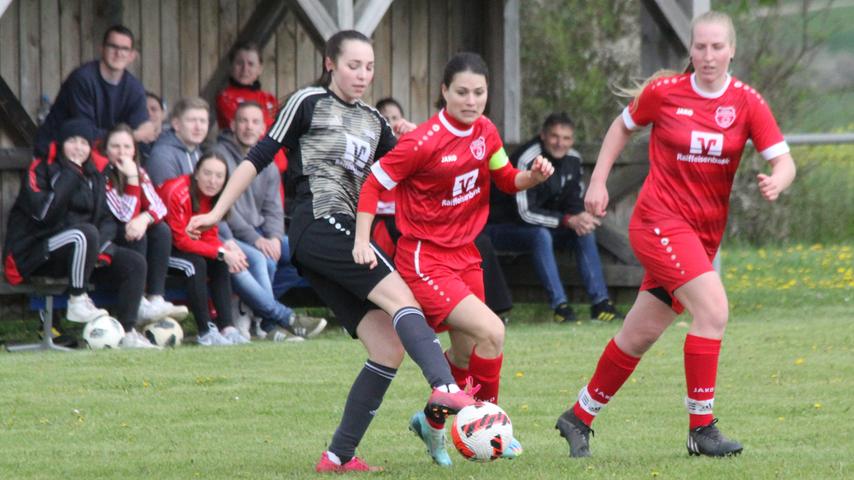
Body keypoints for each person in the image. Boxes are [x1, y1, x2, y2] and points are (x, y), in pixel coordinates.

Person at [187, 30, 477, 473]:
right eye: (352, 65)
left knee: (387, 347)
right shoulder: (306, 102)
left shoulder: (374, 122)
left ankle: (338, 456)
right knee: (404, 300)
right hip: (320, 223)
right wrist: (217, 212)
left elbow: (413, 174)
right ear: (330, 65)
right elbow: (258, 156)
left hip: (330, 240)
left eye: (369, 67)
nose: (362, 75)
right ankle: (443, 384)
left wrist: (413, 139)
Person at [554, 10, 796, 459]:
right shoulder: (665, 93)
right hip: (658, 223)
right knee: (714, 310)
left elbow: (784, 159)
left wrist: (777, 180)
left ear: (732, 50)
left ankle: (578, 417)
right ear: (691, 49)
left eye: (717, 47)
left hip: (701, 237)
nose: (708, 56)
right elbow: (620, 128)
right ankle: (701, 429)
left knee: (639, 334)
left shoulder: (746, 101)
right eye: (700, 46)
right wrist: (599, 181)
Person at [355, 52, 555, 465]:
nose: (471, 100)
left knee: (465, 356)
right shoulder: (421, 142)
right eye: (461, 92)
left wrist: (531, 178)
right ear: (444, 92)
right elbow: (373, 183)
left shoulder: (486, 131)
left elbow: (504, 178)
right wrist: (362, 239)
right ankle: (492, 430)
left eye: (479, 92)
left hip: (467, 255)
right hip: (426, 258)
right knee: (493, 331)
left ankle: (431, 423)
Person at [3, 118, 156, 348]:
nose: (78, 147)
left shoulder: (96, 174)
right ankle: (77, 300)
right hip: (35, 252)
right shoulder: (41, 169)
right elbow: (43, 215)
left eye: (84, 142)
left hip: (80, 255)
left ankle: (127, 332)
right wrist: (71, 173)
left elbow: (107, 220)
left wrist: (99, 250)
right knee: (84, 234)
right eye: (72, 141)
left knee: (134, 262)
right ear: (61, 144)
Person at [373, 98, 514, 318]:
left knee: (481, 242)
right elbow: (370, 188)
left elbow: (505, 178)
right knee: (387, 238)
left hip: (431, 223)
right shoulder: (383, 152)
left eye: (395, 117)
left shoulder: (419, 142)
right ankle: (389, 310)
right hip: (387, 220)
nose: (392, 123)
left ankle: (495, 310)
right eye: (385, 119)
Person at [487, 112, 624, 323]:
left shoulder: (573, 159)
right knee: (541, 235)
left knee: (583, 231)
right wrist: (567, 220)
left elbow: (573, 203)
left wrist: (581, 217)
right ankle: (561, 307)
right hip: (503, 227)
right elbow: (524, 213)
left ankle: (601, 305)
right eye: (555, 136)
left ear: (573, 140)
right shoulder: (528, 158)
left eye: (566, 138)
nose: (560, 143)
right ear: (543, 135)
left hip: (545, 226)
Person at [215, 101, 326, 341]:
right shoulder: (219, 156)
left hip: (261, 232)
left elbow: (274, 209)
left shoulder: (268, 163)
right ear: (233, 125)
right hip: (232, 234)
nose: (248, 127)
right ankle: (269, 323)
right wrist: (257, 240)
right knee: (263, 260)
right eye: (243, 121)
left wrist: (274, 238)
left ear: (263, 128)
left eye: (255, 122)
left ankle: (251, 304)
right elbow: (225, 211)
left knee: (305, 252)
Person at [158, 152, 250, 346]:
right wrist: (222, 252)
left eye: (219, 176)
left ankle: (228, 327)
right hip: (162, 253)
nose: (212, 181)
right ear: (196, 173)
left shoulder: (214, 198)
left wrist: (225, 251)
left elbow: (208, 236)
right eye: (207, 173)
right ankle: (205, 332)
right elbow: (180, 240)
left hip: (185, 249)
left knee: (219, 262)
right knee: (196, 264)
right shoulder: (177, 192)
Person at [101, 123, 188, 323]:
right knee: (134, 230)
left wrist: (145, 217)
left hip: (132, 232)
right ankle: (137, 301)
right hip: (111, 241)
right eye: (115, 146)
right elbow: (124, 215)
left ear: (134, 150)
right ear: (106, 149)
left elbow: (159, 207)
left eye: (127, 147)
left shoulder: (140, 171)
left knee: (161, 230)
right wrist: (132, 179)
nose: (121, 152)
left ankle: (156, 297)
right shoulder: (103, 176)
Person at [34, 25, 156, 157]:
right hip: (56, 154)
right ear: (102, 49)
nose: (118, 53)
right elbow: (86, 133)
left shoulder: (134, 87)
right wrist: (132, 136)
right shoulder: (82, 78)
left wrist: (139, 134)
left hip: (98, 155)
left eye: (125, 49)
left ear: (132, 56)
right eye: (113, 46)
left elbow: (144, 132)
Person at [145, 97, 210, 187]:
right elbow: (168, 198)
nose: (198, 127)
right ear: (176, 124)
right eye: (191, 120)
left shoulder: (197, 151)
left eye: (203, 121)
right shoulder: (162, 156)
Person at [216, 41, 279, 130]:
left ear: (259, 69)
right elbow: (245, 131)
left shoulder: (270, 99)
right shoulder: (225, 97)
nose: (245, 69)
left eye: (250, 64)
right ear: (231, 66)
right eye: (239, 63)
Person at [140, 91, 167, 161]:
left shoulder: (172, 141)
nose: (149, 113)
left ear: (163, 114)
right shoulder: (130, 144)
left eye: (154, 109)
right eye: (143, 110)